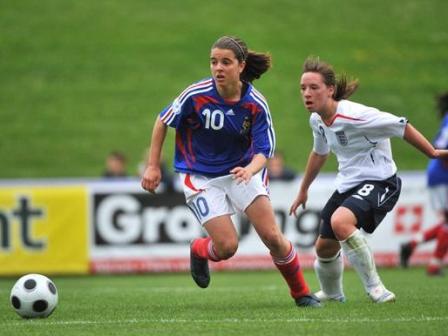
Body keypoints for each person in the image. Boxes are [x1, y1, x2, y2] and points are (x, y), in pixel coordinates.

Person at [141, 36, 320, 308]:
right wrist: (153, 165)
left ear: (241, 66)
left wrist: (250, 170)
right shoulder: (196, 94)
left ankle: (302, 293)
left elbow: (264, 151)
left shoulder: (256, 104)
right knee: (226, 247)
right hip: (199, 176)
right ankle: (198, 249)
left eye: (226, 62)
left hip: (242, 171)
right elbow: (163, 120)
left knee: (273, 236)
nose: (218, 68)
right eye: (214, 62)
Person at [289, 57, 448, 303]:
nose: (307, 94)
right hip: (348, 184)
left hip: (381, 181)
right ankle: (332, 293)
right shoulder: (317, 120)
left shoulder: (356, 116)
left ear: (330, 90)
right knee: (324, 248)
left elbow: (401, 126)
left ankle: (377, 289)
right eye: (303, 88)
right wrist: (303, 190)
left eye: (314, 87)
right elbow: (320, 152)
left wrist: (432, 153)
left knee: (340, 221)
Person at [400, 92, 448, 275]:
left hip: (439, 175)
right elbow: (440, 145)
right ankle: (434, 265)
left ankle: (411, 244)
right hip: (442, 177)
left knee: (446, 222)